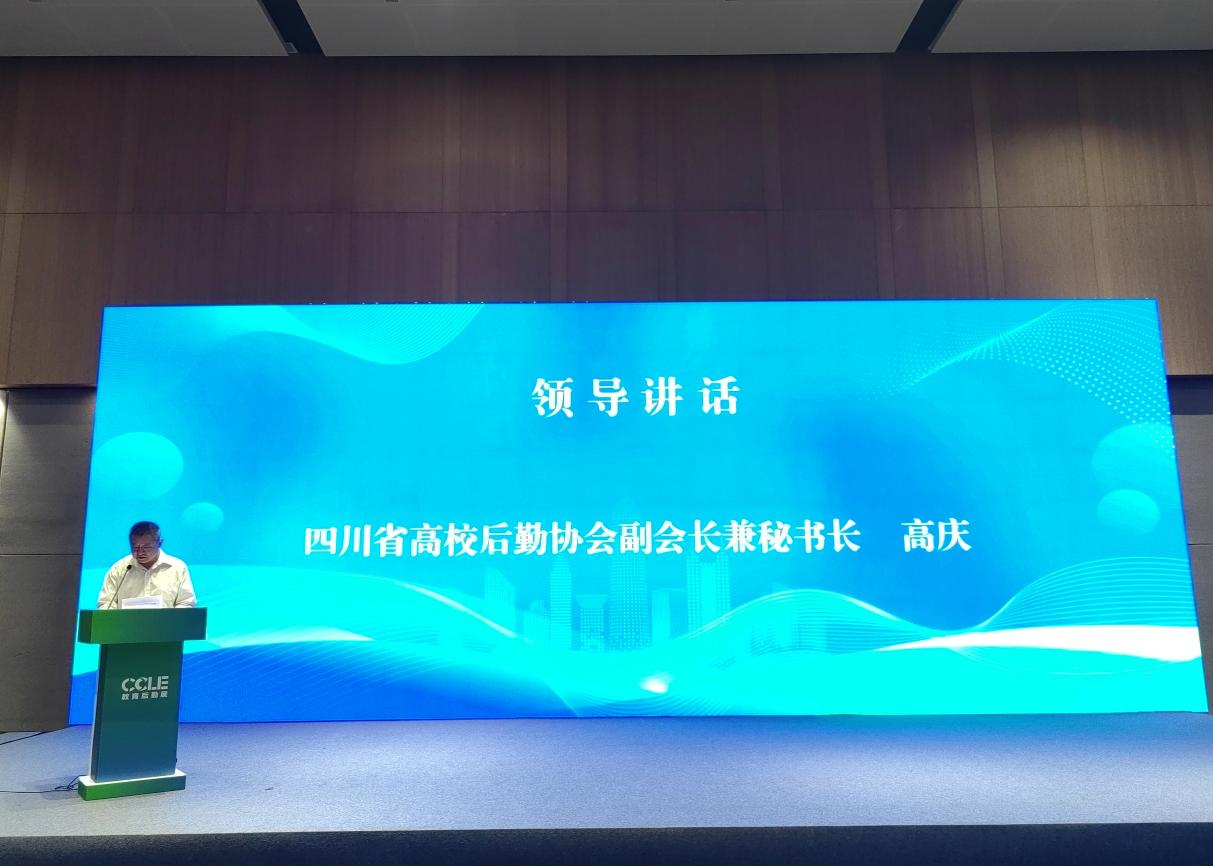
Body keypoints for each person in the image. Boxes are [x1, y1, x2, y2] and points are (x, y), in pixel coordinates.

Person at [97, 521, 197, 609]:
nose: (140, 552)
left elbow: (186, 603)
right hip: (126, 624)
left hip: (167, 624)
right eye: (135, 547)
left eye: (146, 547)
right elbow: (106, 604)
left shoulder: (177, 568)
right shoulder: (118, 569)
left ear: (159, 543)